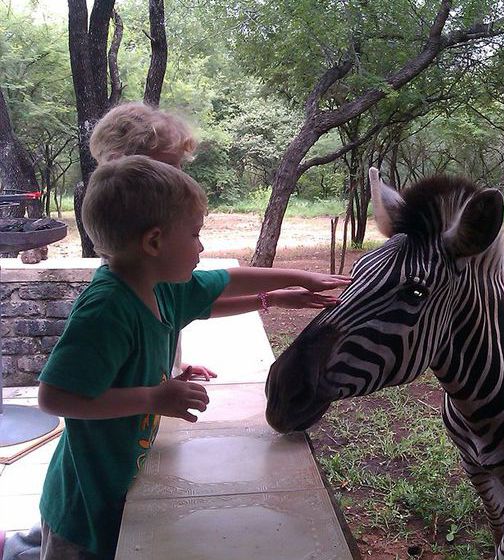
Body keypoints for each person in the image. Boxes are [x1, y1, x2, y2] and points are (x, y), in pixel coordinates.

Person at [37, 156, 350, 560]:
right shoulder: (107, 308)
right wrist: (154, 397)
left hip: (116, 483)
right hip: (81, 510)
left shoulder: (157, 284)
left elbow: (223, 283)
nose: (202, 247)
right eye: (195, 234)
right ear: (154, 242)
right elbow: (55, 398)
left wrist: (294, 281)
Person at [89, 101, 329, 380]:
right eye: (168, 167)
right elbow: (61, 396)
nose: (179, 178)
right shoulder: (109, 304)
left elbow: (191, 301)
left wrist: (170, 369)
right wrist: (153, 398)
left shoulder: (142, 272)